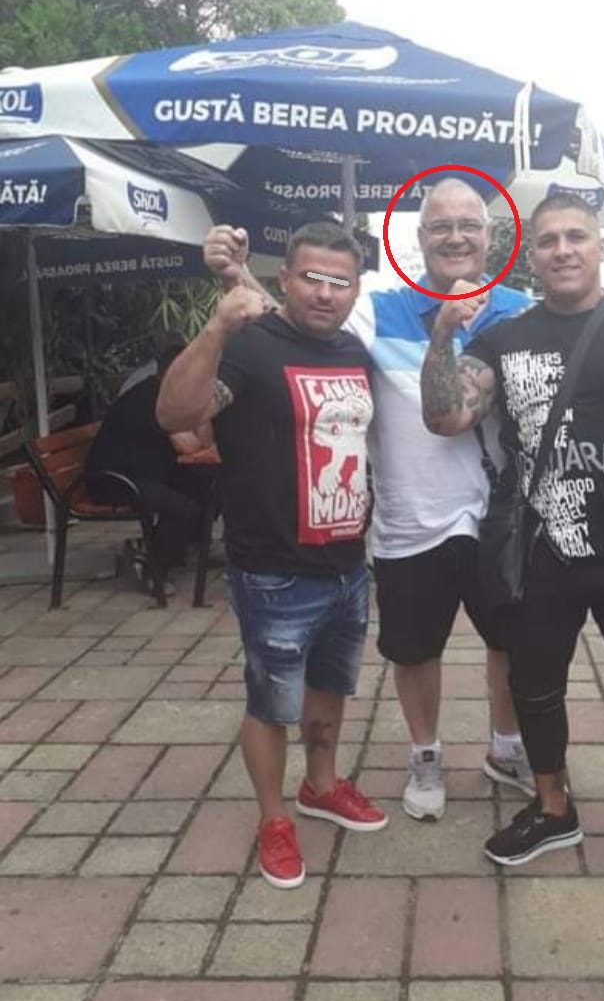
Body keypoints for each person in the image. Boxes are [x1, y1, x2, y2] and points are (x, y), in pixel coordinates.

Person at [203, 178, 535, 825]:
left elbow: (583, 325)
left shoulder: (522, 311)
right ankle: (425, 756)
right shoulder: (378, 307)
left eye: (469, 225)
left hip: (499, 520)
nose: (456, 237)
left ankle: (506, 748)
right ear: (421, 238)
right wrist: (233, 274)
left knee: (510, 641)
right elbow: (292, 320)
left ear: (490, 238)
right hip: (409, 520)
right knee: (415, 650)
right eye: (441, 226)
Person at [420, 192, 604, 922]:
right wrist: (443, 335)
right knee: (535, 689)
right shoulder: (504, 337)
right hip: (540, 552)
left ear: (600, 246)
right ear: (530, 255)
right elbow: (446, 416)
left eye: (576, 235)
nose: (562, 249)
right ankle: (553, 809)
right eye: (547, 239)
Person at [157, 222, 388, 891]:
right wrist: (216, 327)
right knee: (270, 704)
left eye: (339, 281)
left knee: (331, 689)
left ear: (356, 289)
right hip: (274, 571)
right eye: (310, 277)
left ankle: (322, 785)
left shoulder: (352, 349)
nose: (324, 292)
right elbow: (175, 416)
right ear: (284, 277)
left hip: (347, 565)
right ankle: (274, 818)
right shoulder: (248, 346)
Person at [85, 338, 207, 594]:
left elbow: (198, 439)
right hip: (113, 481)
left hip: (140, 473)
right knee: (182, 507)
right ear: (172, 373)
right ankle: (154, 570)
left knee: (203, 484)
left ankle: (172, 547)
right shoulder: (153, 399)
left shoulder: (163, 393)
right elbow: (189, 445)